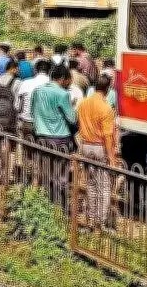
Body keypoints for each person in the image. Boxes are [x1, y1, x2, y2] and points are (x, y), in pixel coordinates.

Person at [77, 75, 118, 229]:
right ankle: (100, 223)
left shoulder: (83, 104)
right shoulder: (106, 108)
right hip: (100, 147)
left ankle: (91, 219)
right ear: (107, 89)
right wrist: (112, 158)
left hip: (85, 146)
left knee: (91, 185)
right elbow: (108, 136)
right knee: (104, 187)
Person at [31, 65, 77, 151]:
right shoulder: (63, 94)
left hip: (40, 135)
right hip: (60, 138)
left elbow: (32, 112)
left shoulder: (37, 91)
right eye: (69, 80)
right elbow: (72, 119)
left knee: (42, 163)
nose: (70, 83)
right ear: (63, 78)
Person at [15, 59, 50, 140]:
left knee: (27, 150)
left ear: (35, 70)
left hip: (27, 122)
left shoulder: (25, 83)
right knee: (43, 150)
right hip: (45, 125)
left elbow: (17, 106)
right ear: (49, 71)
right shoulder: (52, 84)